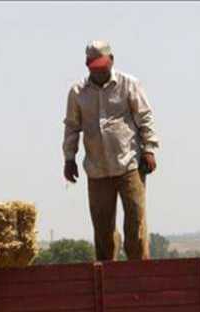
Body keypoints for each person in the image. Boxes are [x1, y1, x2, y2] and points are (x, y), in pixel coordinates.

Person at [63, 40, 160, 261]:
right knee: (103, 231)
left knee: (135, 226)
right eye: (94, 68)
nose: (99, 71)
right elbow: (72, 127)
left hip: (129, 165)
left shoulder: (129, 84)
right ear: (87, 65)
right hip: (97, 170)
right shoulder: (77, 92)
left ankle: (140, 273)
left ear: (112, 61)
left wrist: (149, 149)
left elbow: (145, 117)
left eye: (102, 66)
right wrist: (69, 158)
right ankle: (107, 275)